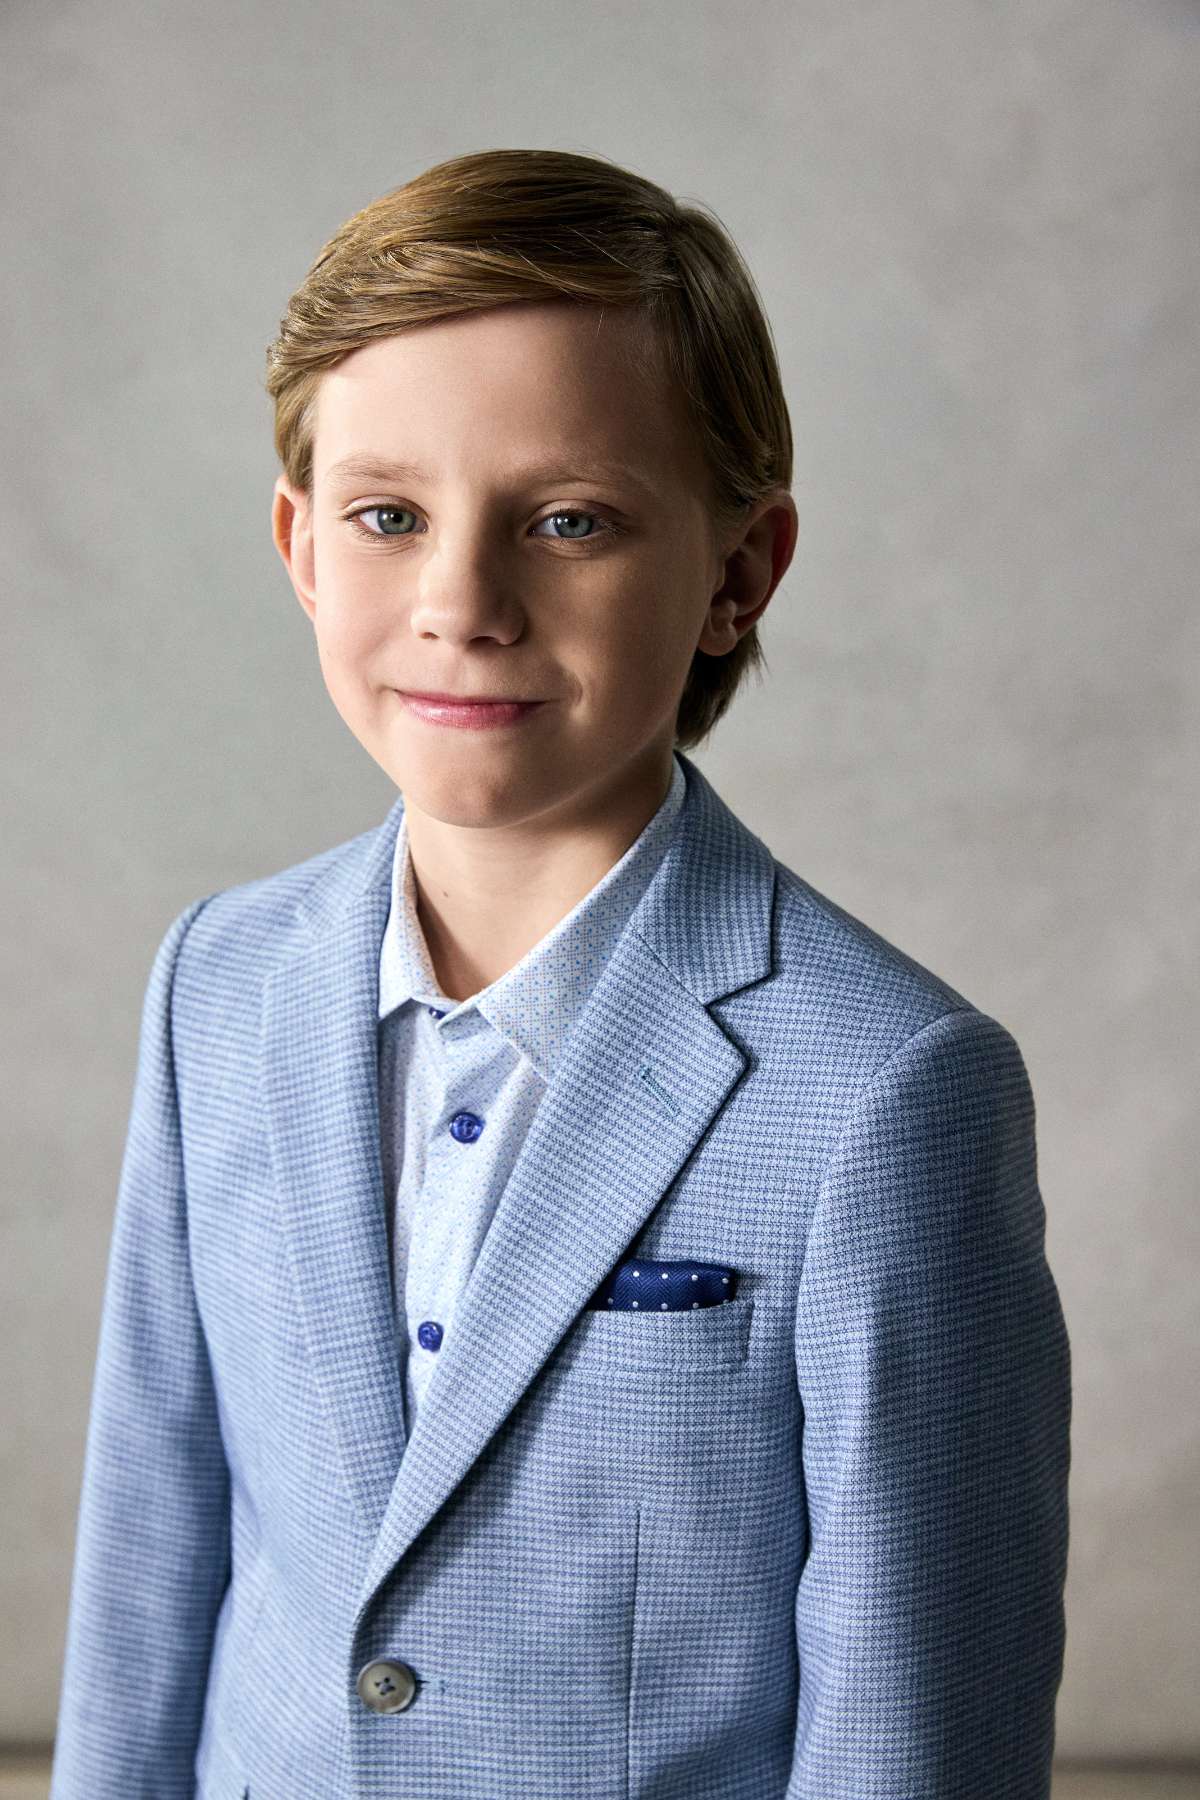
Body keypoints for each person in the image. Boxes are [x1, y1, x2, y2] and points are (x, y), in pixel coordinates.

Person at [49, 147, 1071, 1800]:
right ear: (304, 546)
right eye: (391, 517)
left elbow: (917, 1718)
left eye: (570, 520)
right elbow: (151, 1556)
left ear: (739, 574)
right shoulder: (216, 984)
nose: (463, 603)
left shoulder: (894, 1089)